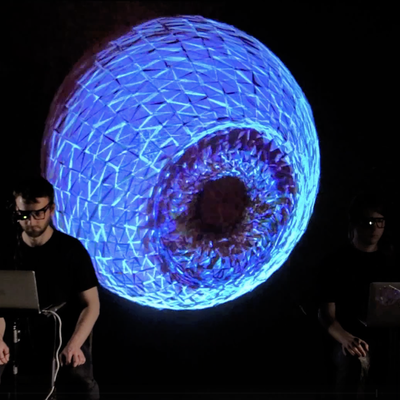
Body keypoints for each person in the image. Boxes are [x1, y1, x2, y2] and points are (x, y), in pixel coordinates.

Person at [0, 176, 100, 399]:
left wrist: (74, 345)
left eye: (38, 213)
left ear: (51, 209)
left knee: (79, 380)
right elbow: (1, 306)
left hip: (64, 336)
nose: (30, 221)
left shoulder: (72, 250)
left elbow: (92, 305)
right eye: (23, 214)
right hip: (19, 335)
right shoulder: (7, 250)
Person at [317, 193, 399, 399]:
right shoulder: (335, 263)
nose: (374, 228)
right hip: (349, 337)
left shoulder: (390, 262)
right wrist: (345, 338)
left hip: (387, 339)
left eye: (379, 222)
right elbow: (326, 315)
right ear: (354, 223)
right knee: (354, 363)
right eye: (368, 222)